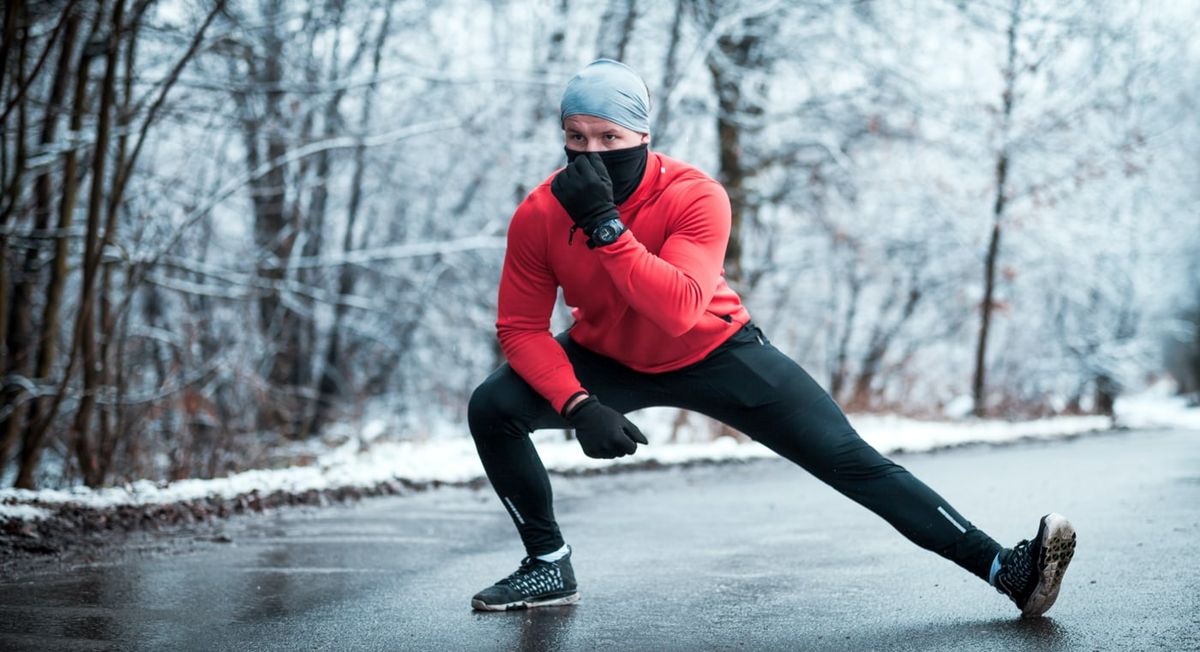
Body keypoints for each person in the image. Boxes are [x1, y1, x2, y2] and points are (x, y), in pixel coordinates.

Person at [466, 58, 1076, 617]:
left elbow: (677, 309)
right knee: (492, 407)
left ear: (643, 137)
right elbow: (520, 327)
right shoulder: (541, 212)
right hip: (608, 356)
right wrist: (578, 404)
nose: (590, 153)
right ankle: (548, 565)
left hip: (716, 350)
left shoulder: (694, 195)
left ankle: (1007, 571)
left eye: (609, 138)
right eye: (577, 138)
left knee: (852, 461)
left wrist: (606, 226)